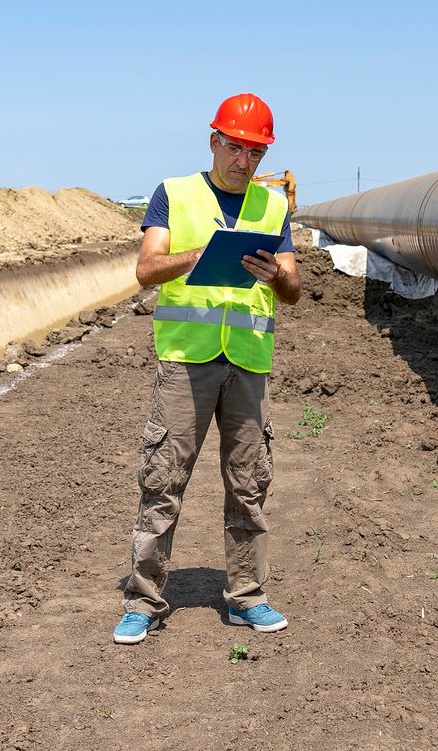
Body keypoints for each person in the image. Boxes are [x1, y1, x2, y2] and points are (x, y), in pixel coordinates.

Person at [114, 93, 301, 645]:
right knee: (163, 481)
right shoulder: (173, 194)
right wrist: (196, 257)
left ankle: (246, 596)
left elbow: (293, 291)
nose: (244, 161)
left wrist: (274, 276)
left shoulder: (274, 208)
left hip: (247, 365)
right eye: (236, 147)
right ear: (214, 140)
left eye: (256, 152)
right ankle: (142, 600)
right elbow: (147, 270)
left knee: (248, 484)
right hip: (186, 364)